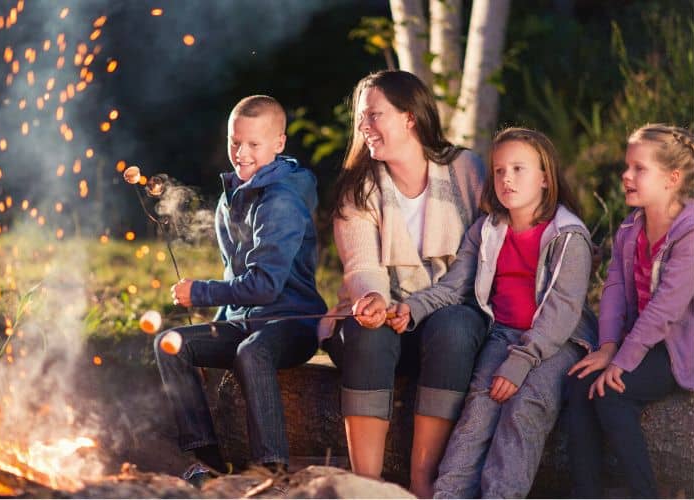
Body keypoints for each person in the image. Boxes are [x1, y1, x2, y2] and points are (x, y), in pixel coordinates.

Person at [375, 127, 598, 497]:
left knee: (524, 408)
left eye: (518, 169)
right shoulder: (488, 229)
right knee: (478, 411)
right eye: (498, 170)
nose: (506, 178)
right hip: (504, 334)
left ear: (545, 178)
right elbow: (454, 286)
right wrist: (411, 308)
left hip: (558, 343)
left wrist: (521, 363)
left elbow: (561, 311)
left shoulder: (568, 236)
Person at [319, 69, 488, 498]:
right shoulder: (356, 188)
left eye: (374, 115)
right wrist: (373, 299)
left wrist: (419, 307)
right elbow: (362, 265)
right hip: (377, 325)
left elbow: (479, 260)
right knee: (367, 331)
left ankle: (423, 481)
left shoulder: (466, 171)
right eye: (360, 118)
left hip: (442, 324)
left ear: (410, 117)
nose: (363, 127)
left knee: (457, 326)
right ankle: (368, 485)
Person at [154, 95, 327, 481]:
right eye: (235, 142)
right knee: (171, 343)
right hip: (245, 321)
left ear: (279, 143)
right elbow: (235, 274)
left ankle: (272, 471)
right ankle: (209, 463)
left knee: (251, 353)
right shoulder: (230, 196)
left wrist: (200, 292)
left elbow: (264, 286)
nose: (241, 153)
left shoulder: (282, 200)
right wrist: (210, 333)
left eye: (254, 144)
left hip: (291, 324)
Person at [566, 124, 694, 498]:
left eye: (639, 168)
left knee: (610, 391)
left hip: (679, 348)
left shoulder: (692, 233)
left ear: (672, 179)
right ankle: (584, 492)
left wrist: (620, 363)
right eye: (627, 166)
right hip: (638, 342)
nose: (626, 175)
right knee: (578, 381)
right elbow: (615, 290)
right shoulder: (630, 229)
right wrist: (607, 347)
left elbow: (665, 310)